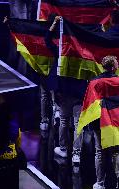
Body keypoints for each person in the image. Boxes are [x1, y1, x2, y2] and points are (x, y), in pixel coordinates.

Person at [45, 16, 88, 165]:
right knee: (77, 125)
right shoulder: (84, 53)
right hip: (80, 94)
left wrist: (55, 23)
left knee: (64, 121)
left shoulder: (61, 52)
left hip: (64, 93)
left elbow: (47, 40)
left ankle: (63, 149)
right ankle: (76, 154)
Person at [92, 55, 119, 189]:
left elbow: (90, 102)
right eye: (117, 63)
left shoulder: (94, 82)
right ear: (113, 67)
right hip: (115, 120)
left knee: (100, 152)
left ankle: (100, 183)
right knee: (116, 150)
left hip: (98, 120)